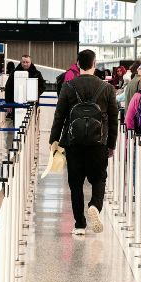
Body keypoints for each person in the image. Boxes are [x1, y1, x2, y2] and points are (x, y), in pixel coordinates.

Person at [50, 49, 118, 235]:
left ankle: (79, 224)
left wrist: (54, 140)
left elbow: (60, 116)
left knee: (75, 182)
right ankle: (95, 205)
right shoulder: (107, 88)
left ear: (78, 64)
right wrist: (111, 144)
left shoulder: (69, 86)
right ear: (94, 64)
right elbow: (113, 119)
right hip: (99, 143)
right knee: (99, 178)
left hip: (74, 142)